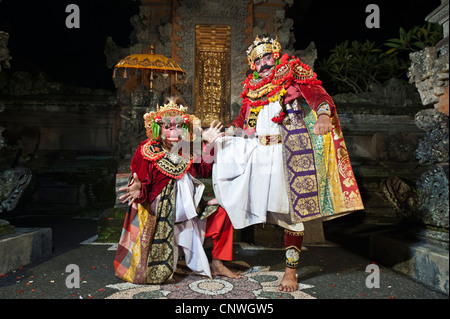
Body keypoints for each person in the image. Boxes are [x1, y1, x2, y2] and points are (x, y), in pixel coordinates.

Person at [212, 35, 364, 292]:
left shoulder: (292, 71)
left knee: (292, 216)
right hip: (255, 152)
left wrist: (324, 115)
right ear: (252, 64)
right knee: (229, 199)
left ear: (276, 54)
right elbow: (241, 120)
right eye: (257, 59)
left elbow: (317, 93)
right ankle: (217, 261)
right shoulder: (251, 88)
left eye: (266, 56)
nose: (262, 62)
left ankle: (290, 272)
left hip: (287, 153)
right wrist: (227, 131)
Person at [114, 97, 240, 284]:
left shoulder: (189, 149)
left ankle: (218, 263)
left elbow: (204, 169)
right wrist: (139, 187)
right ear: (158, 128)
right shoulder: (146, 150)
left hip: (191, 214)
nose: (173, 131)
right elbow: (140, 181)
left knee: (225, 209)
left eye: (178, 125)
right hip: (159, 218)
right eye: (167, 126)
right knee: (151, 275)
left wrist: (209, 144)